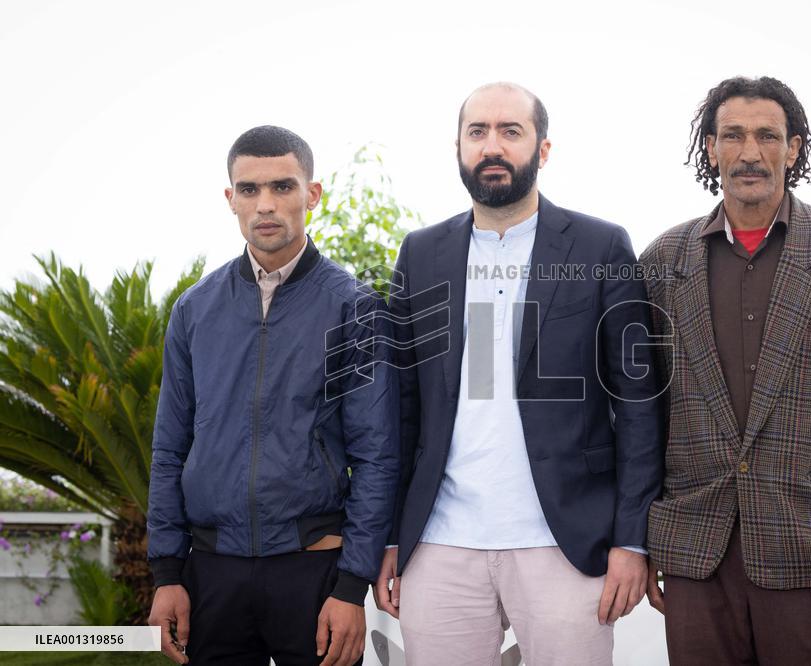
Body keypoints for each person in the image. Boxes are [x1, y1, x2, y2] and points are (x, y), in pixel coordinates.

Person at [374, 82, 663, 665]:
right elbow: (401, 407)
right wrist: (390, 535)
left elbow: (638, 403)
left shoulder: (600, 245)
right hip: (440, 542)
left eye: (511, 131)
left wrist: (632, 539)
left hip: (564, 542)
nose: (492, 145)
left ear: (543, 149)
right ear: (457, 146)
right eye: (477, 131)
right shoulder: (421, 253)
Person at [640, 76, 811, 665]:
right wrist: (640, 542)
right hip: (698, 561)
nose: (750, 152)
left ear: (793, 148)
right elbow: (643, 420)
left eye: (767, 135)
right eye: (732, 136)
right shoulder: (662, 260)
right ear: (710, 148)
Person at [146, 125, 399, 666]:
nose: (265, 204)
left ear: (313, 194)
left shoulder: (354, 307)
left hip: (314, 569)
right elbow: (169, 448)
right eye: (249, 189)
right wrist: (167, 573)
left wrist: (351, 587)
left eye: (283, 187)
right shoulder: (194, 310)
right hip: (212, 568)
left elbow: (376, 454)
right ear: (229, 199)